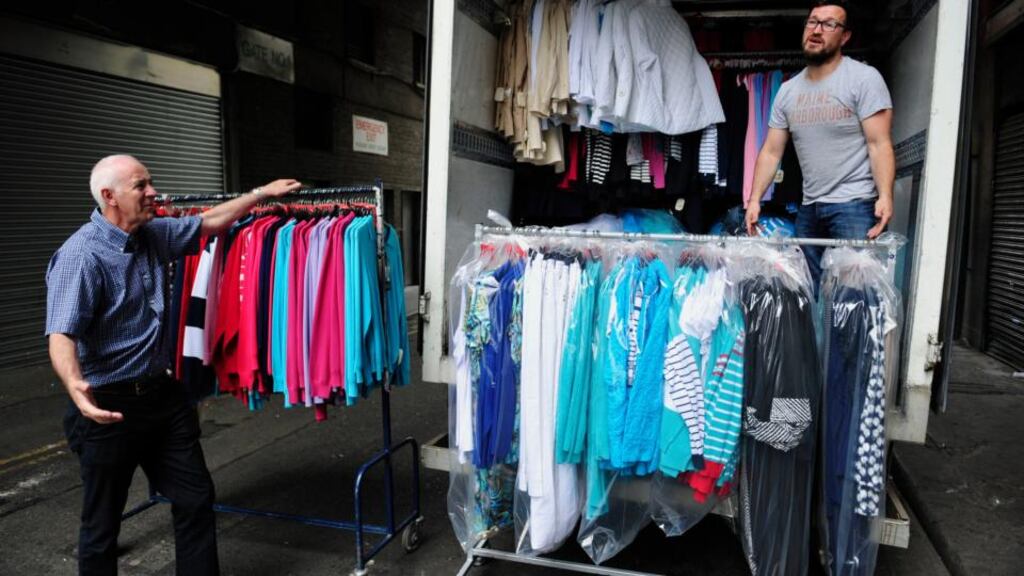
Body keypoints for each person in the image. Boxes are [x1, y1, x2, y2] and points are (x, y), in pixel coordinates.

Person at [45, 154, 302, 576]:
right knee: (102, 526)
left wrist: (261, 194)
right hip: (109, 407)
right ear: (109, 197)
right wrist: (75, 385)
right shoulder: (81, 256)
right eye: (141, 186)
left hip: (163, 399)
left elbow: (211, 222)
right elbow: (61, 333)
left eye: (150, 183)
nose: (154, 193)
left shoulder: (153, 235)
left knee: (195, 499)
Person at [745, 0, 895, 288]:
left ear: (845, 36)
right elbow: (771, 151)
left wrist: (885, 196)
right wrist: (754, 200)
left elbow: (879, 143)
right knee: (807, 292)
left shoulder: (863, 79)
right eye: (813, 22)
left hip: (854, 205)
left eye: (829, 24)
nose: (817, 30)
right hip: (809, 207)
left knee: (853, 297)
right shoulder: (788, 91)